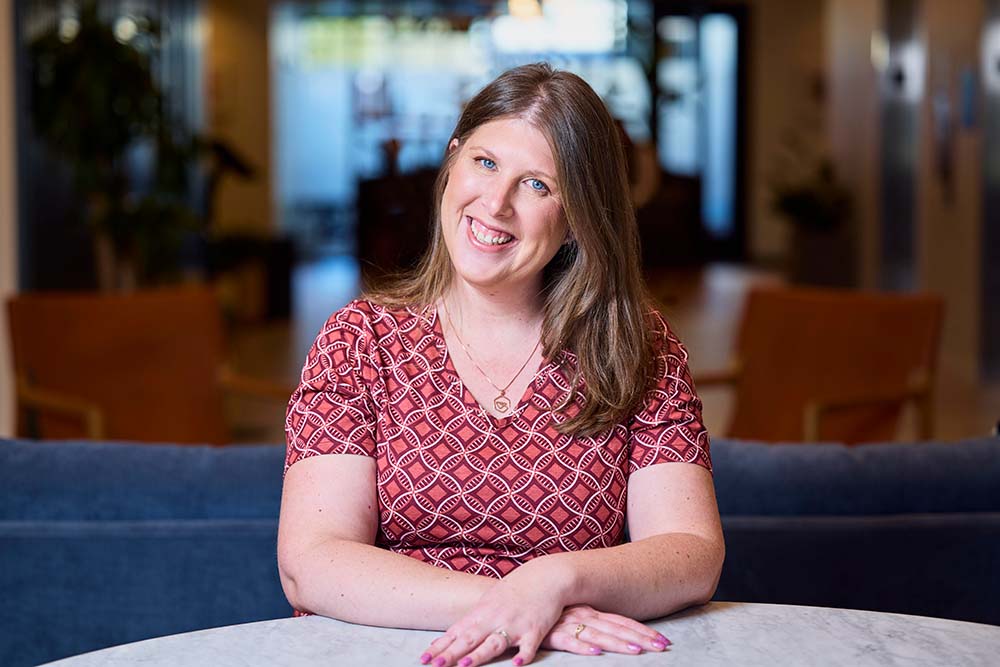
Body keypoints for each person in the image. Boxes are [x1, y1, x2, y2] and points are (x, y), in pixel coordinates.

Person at [278, 63, 724, 667]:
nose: (496, 203)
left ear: (577, 220)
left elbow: (692, 553)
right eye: (484, 163)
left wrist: (555, 584)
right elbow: (311, 562)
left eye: (538, 185)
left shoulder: (636, 345)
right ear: (451, 161)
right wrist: (515, 606)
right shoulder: (359, 341)